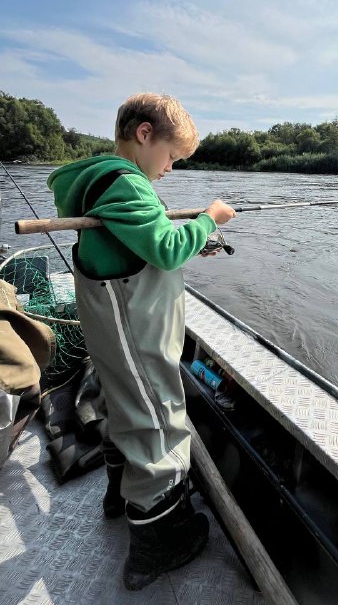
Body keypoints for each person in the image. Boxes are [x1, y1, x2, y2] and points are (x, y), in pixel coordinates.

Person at [48, 93, 236, 590]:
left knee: (122, 412)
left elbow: (142, 243)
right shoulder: (127, 186)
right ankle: (157, 546)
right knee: (157, 425)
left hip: (116, 339)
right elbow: (168, 249)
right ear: (145, 135)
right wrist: (208, 220)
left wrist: (193, 235)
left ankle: (119, 494)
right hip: (137, 338)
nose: (172, 169)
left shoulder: (101, 183)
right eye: (172, 156)